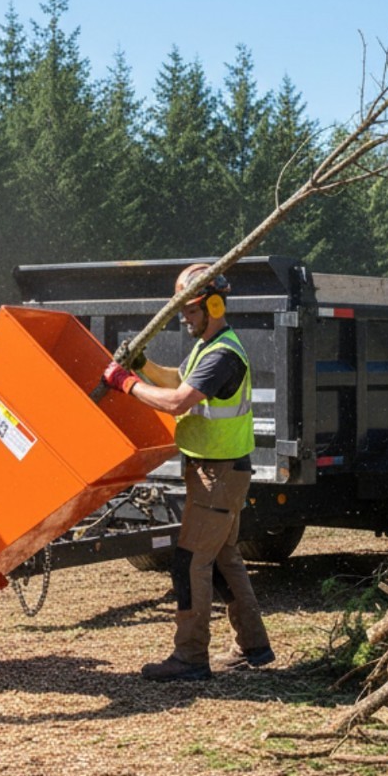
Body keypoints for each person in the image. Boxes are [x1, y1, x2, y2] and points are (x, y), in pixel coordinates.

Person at [103, 263, 276, 681]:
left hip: (218, 474)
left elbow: (178, 401)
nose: (184, 318)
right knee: (223, 560)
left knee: (189, 562)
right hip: (218, 472)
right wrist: (143, 365)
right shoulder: (208, 347)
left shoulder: (221, 355)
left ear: (214, 306)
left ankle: (190, 657)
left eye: (191, 310)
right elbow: (177, 379)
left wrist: (126, 383)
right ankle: (254, 647)